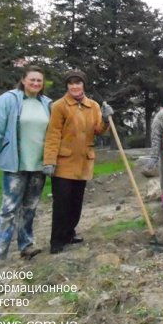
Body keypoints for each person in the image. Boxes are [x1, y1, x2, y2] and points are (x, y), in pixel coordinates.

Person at [0, 66, 53, 272]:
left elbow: (54, 134)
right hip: (15, 164)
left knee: (30, 208)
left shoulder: (46, 104)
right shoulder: (8, 100)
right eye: (32, 80)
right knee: (8, 210)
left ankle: (26, 245)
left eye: (39, 81)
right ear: (23, 80)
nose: (36, 84)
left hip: (38, 165)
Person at [43, 70, 114, 254]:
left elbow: (99, 130)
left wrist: (106, 119)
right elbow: (53, 134)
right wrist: (49, 160)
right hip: (64, 162)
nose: (75, 86)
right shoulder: (59, 106)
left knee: (76, 201)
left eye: (78, 83)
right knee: (62, 203)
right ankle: (56, 240)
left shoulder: (93, 106)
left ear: (83, 85)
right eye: (71, 83)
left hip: (83, 162)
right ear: (67, 86)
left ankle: (69, 233)